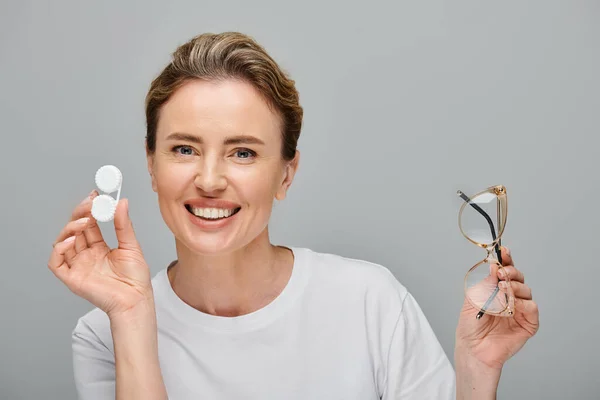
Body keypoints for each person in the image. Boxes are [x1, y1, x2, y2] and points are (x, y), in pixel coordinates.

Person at [47, 32, 539, 400]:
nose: (211, 179)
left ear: (286, 174)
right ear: (151, 165)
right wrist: (132, 316)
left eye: (242, 153)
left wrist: (476, 375)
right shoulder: (103, 333)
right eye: (184, 149)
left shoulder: (372, 302)